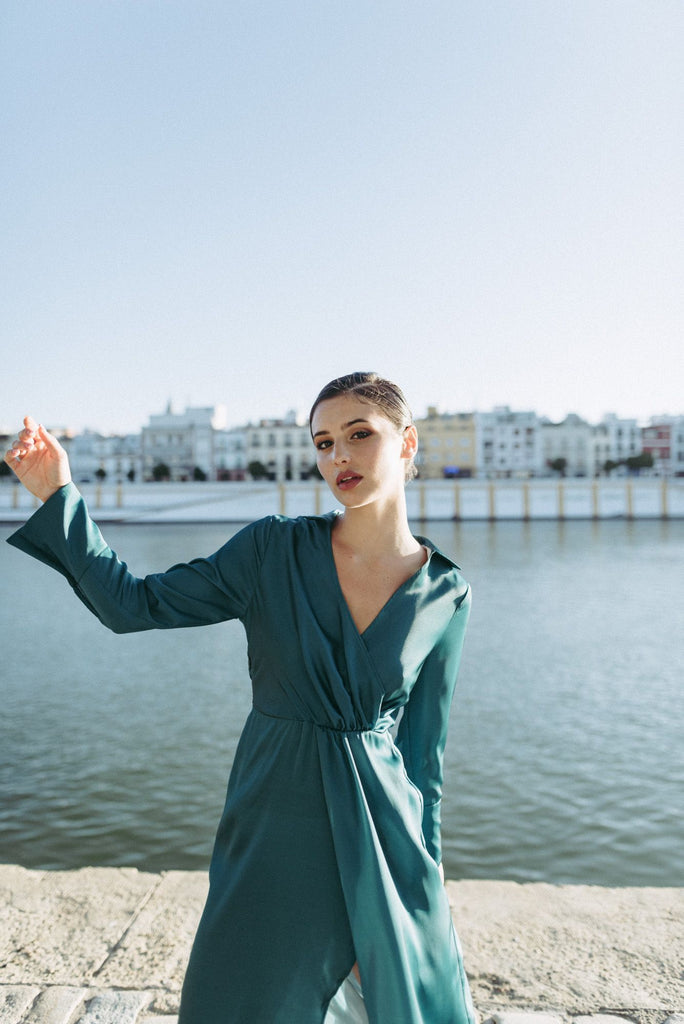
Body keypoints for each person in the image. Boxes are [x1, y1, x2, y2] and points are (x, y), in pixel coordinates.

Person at [5, 372, 475, 1024]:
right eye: (324, 442)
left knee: (391, 1002)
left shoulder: (446, 593)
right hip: (273, 818)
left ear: (407, 442)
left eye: (359, 435)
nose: (339, 456)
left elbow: (424, 760)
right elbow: (131, 604)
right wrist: (59, 493)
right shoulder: (271, 551)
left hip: (383, 834)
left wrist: (431, 882)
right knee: (235, 995)